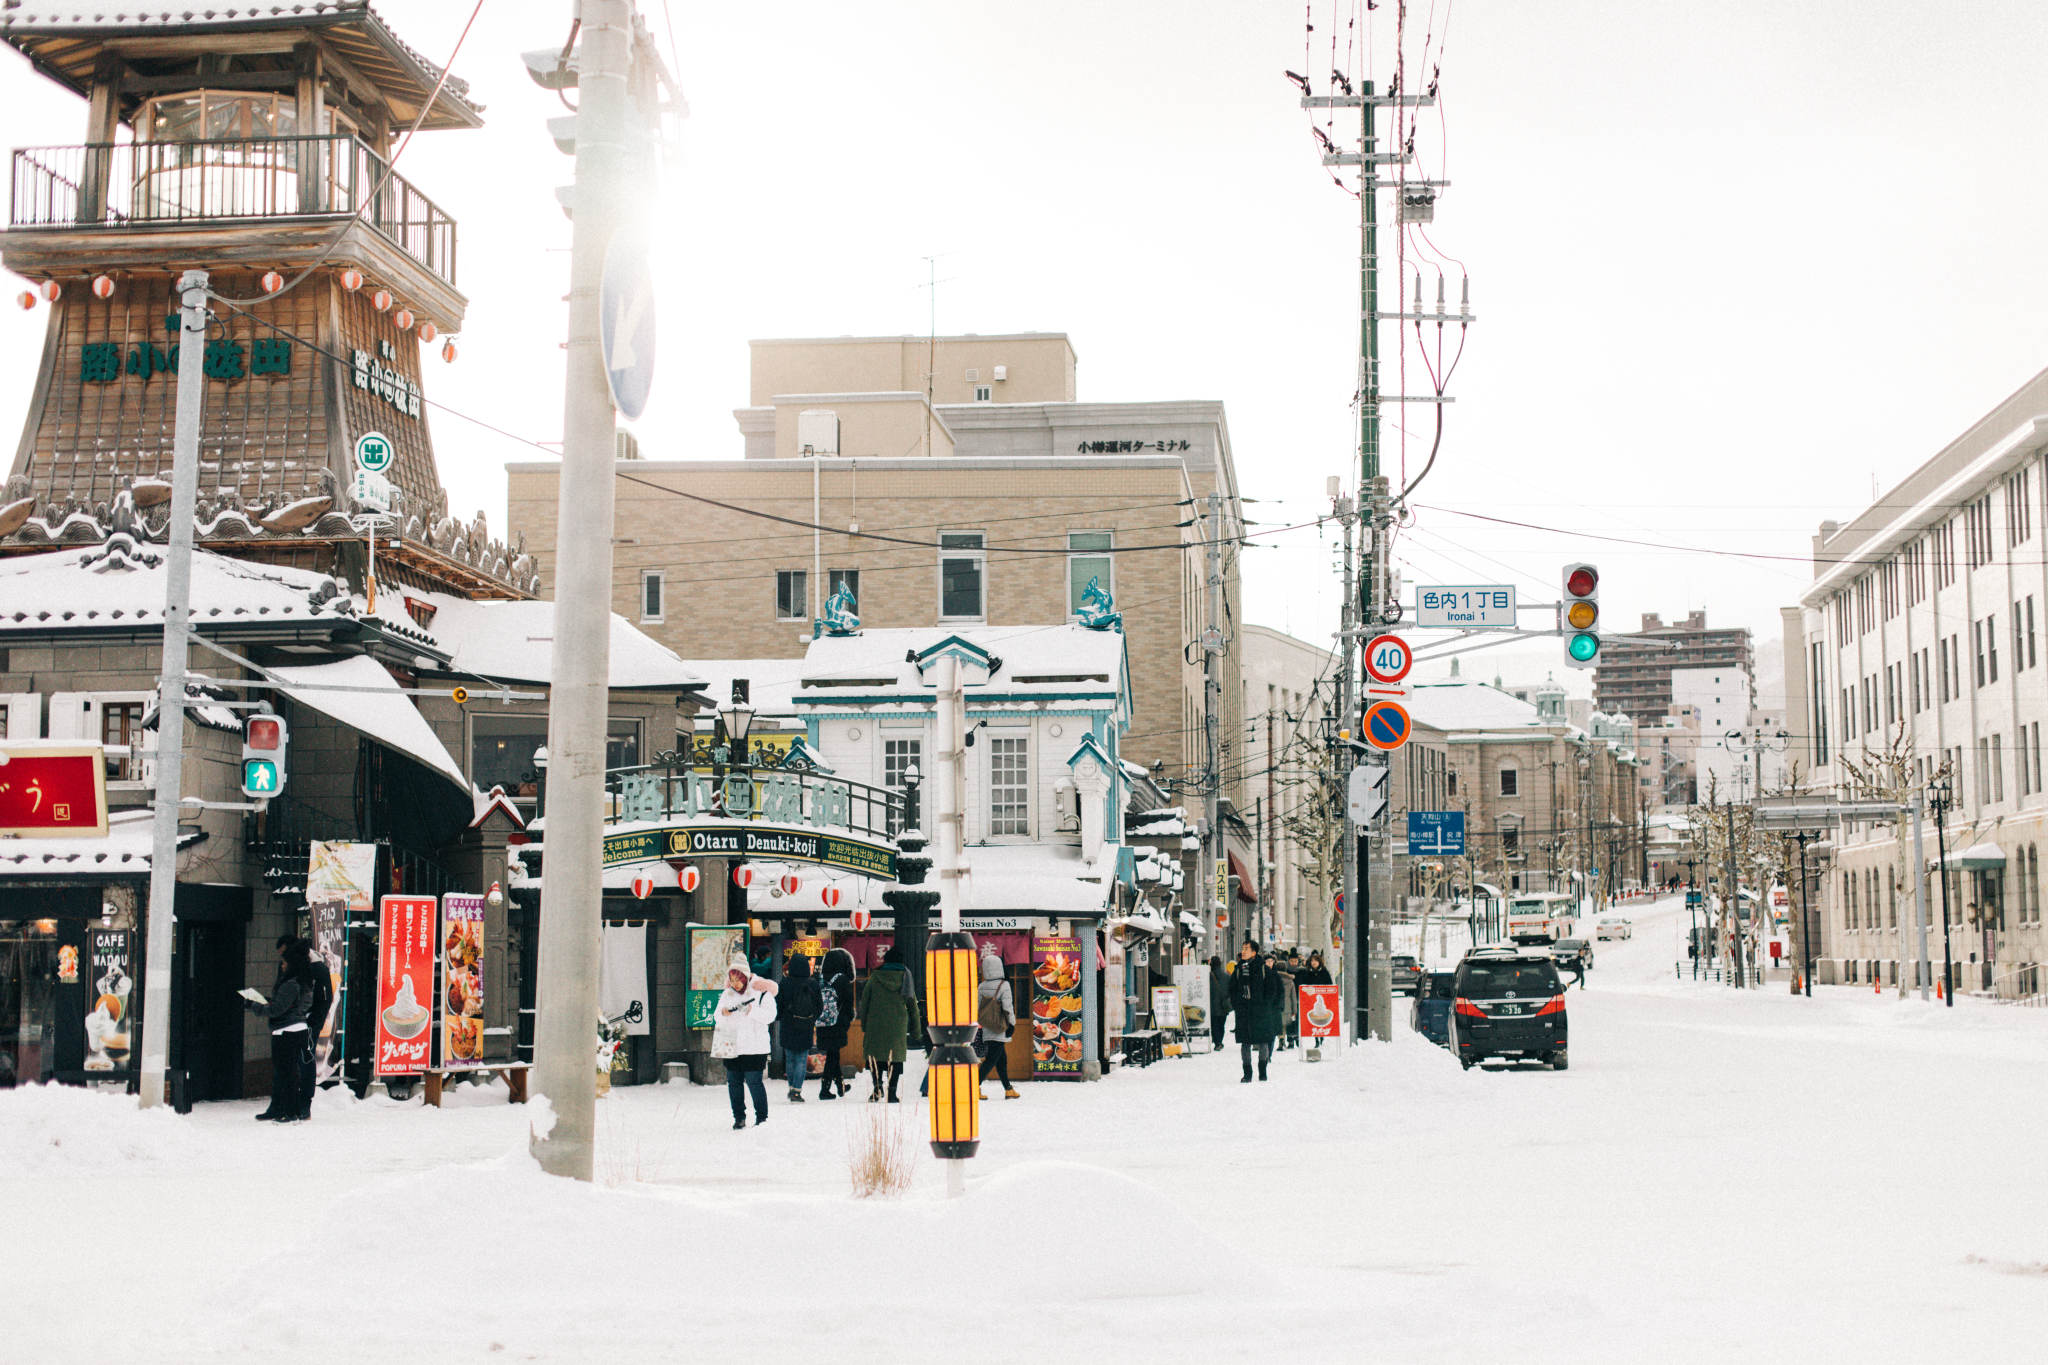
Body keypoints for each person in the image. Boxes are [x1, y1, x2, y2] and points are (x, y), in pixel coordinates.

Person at [244, 938, 317, 1122]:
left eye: (284, 962)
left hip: (285, 1032)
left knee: (286, 1074)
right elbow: (291, 1006)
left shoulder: (290, 984)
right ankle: (291, 1111)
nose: (282, 965)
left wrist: (255, 1006)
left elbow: (277, 1009)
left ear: (291, 963)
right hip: (298, 1030)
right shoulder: (306, 983)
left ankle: (290, 1112)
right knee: (291, 1073)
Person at [713, 958, 778, 1129]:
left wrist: (751, 1010)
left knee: (753, 1081)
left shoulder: (762, 992)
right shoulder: (727, 994)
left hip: (755, 1046)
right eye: (732, 980)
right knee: (734, 1082)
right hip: (733, 1046)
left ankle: (762, 1118)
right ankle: (739, 1117)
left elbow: (770, 1016)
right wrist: (723, 1013)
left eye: (738, 979)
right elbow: (716, 1016)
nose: (734, 984)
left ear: (745, 977)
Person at [858, 945, 919, 1103]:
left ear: (885, 960)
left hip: (875, 1025)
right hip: (897, 1026)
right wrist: (915, 1032)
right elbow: (913, 1007)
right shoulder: (906, 977)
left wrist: (864, 1025)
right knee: (895, 1059)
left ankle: (877, 1089)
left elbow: (864, 1003)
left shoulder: (875, 977)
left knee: (876, 1058)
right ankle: (892, 1093)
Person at [1230, 940, 1282, 1082]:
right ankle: (1247, 1073)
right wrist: (1237, 1005)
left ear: (1254, 953)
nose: (1243, 951)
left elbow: (1272, 990)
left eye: (1246, 948)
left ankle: (1262, 1071)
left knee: (1263, 1041)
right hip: (1244, 1011)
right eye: (1242, 948)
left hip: (1260, 1011)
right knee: (1245, 1042)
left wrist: (1265, 1005)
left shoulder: (1263, 969)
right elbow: (1232, 989)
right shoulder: (1238, 969)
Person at [976, 946, 1020, 1099]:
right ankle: (973, 1086)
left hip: (988, 1027)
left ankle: (1008, 1089)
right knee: (992, 1059)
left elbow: (978, 1008)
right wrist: (1012, 1025)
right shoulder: (1004, 985)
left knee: (1001, 1059)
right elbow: (1008, 1007)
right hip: (1001, 1026)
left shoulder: (981, 986)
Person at [814, 946, 856, 1100]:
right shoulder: (843, 979)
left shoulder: (819, 979)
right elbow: (849, 1001)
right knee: (833, 1055)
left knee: (833, 1053)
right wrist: (849, 1018)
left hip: (822, 1021)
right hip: (838, 1021)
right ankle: (824, 1090)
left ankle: (840, 1085)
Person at [779, 953, 820, 1102]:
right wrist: (812, 1019)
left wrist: (781, 1017)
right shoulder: (813, 984)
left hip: (788, 1025)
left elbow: (778, 1005)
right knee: (802, 1059)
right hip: (806, 1025)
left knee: (790, 1059)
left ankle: (791, 1088)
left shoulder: (784, 983)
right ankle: (796, 1091)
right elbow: (819, 1006)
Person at [1207, 955, 1232, 1052]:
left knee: (1214, 1025)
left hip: (1212, 1005)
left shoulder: (1208, 977)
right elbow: (1231, 990)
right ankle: (1219, 1041)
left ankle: (1217, 1042)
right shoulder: (1227, 976)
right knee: (1221, 1024)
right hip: (1223, 1005)